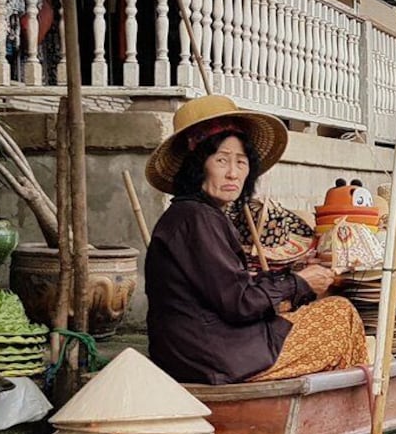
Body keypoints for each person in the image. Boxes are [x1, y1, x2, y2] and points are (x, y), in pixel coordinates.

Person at [144, 95, 368, 385]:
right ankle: (347, 416)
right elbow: (239, 302)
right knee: (340, 315)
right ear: (197, 165)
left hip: (199, 350)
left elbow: (232, 287)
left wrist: (295, 277)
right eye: (221, 160)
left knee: (311, 311)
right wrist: (300, 283)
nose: (233, 173)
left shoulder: (193, 214)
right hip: (214, 356)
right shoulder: (196, 218)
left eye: (241, 161)